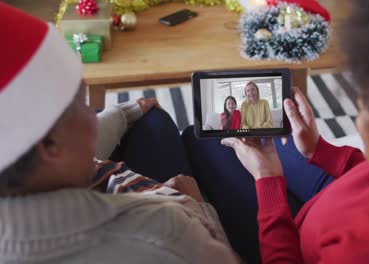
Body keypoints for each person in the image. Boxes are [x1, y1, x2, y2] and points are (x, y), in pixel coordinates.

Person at [181, 0, 369, 263]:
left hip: (288, 238)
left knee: (199, 139)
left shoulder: (368, 253)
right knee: (210, 137)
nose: (360, 102)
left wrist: (268, 180)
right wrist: (320, 150)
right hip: (334, 196)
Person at [0, 4, 239, 263]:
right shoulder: (165, 234)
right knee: (192, 136)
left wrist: (122, 115)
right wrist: (197, 206)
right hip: (179, 211)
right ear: (48, 143)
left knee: (151, 118)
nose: (94, 113)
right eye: (84, 102)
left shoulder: (21, 162)